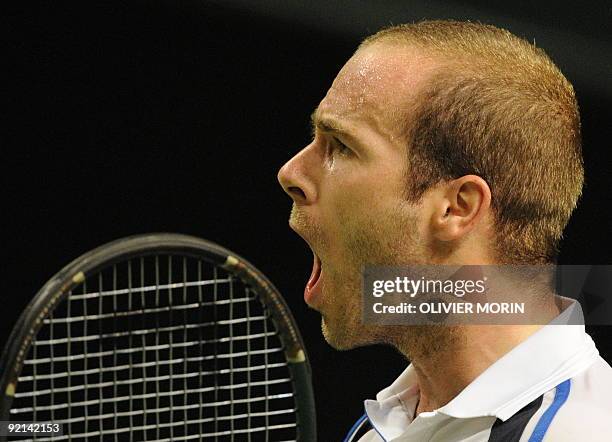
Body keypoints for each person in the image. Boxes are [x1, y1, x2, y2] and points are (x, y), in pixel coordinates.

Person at [277, 20, 612, 441]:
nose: (291, 173)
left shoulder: (578, 433)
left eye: (342, 146)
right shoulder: (383, 425)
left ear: (457, 208)